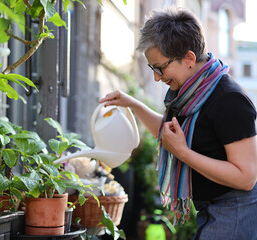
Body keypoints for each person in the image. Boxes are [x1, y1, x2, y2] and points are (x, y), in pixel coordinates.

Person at [99, 7, 257, 240]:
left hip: (236, 209)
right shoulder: (189, 94)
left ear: (189, 59)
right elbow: (169, 134)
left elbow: (247, 177)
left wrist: (183, 153)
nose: (156, 77)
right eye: (153, 68)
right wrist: (132, 103)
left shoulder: (229, 100)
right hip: (211, 208)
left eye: (160, 67)